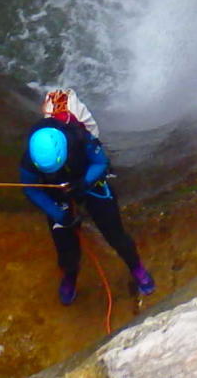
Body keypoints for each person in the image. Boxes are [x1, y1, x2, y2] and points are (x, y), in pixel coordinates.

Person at [19, 92, 155, 306]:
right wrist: (60, 215)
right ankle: (70, 274)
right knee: (65, 245)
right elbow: (31, 189)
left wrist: (83, 183)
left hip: (86, 181)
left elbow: (100, 163)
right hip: (58, 192)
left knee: (115, 233)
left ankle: (136, 267)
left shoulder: (80, 138)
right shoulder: (32, 157)